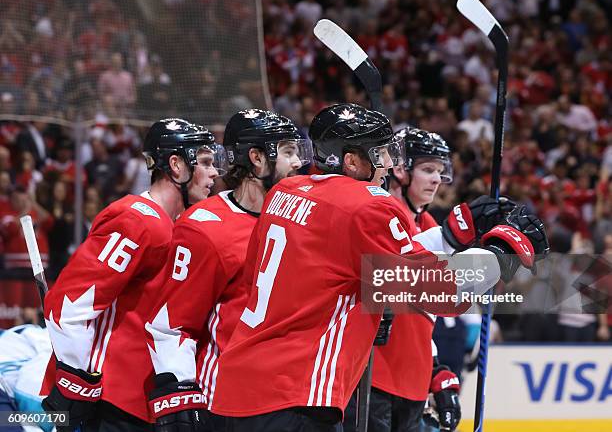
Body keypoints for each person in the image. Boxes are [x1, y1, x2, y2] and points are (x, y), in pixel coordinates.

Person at [206, 103, 548, 431]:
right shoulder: (367, 206)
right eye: (380, 153)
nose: (387, 165)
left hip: (235, 386)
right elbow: (443, 291)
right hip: (296, 393)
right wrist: (503, 251)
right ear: (352, 160)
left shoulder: (286, 191)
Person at [40, 118, 227, 431]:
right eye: (206, 162)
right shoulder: (137, 220)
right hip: (111, 401)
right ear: (176, 165)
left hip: (144, 400)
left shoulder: (178, 225)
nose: (214, 173)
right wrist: (77, 377)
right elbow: (72, 301)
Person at [145, 109, 312, 431]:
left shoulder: (304, 219)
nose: (298, 163)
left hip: (288, 400)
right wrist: (178, 392)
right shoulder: (207, 227)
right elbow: (173, 324)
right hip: (226, 404)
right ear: (257, 157)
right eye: (289, 152)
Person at [344, 127, 461, 432]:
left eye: (440, 171)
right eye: (427, 169)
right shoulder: (377, 215)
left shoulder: (431, 223)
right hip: (372, 373)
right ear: (400, 170)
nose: (436, 179)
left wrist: (436, 370)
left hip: (413, 380)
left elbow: (428, 307)